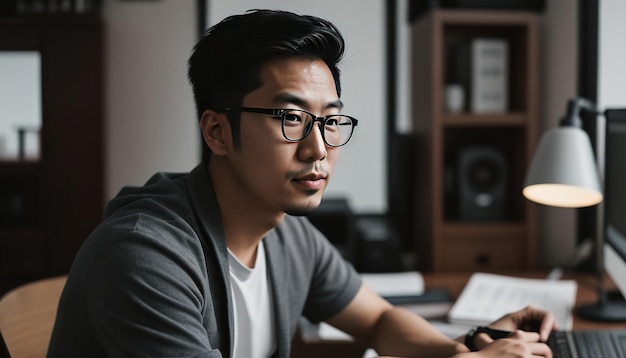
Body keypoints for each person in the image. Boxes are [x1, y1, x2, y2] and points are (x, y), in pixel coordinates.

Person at [47, 9, 556, 358]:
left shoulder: (286, 232)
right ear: (218, 131)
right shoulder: (145, 257)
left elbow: (377, 319)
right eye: (290, 118)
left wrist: (466, 347)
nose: (318, 150)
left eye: (330, 120)